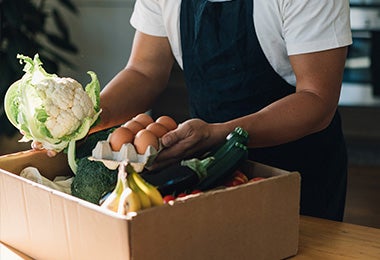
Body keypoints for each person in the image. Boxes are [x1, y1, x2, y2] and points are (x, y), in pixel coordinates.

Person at [44, 0, 353, 221]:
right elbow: (143, 71)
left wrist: (220, 134)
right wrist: (85, 115)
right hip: (207, 170)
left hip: (298, 172)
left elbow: (316, 99)